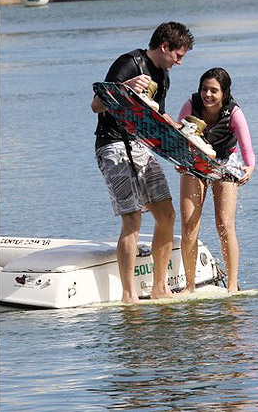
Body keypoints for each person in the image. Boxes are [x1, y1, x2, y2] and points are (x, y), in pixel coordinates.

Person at [90, 22, 194, 304]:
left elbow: (156, 118)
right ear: (164, 47)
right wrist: (123, 87)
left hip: (141, 147)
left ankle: (160, 286)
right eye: (178, 55)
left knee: (166, 214)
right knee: (133, 219)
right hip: (113, 147)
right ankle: (128, 295)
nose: (180, 62)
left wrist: (182, 142)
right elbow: (97, 104)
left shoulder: (163, 75)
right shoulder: (129, 63)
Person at [177, 67, 255, 293]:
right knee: (190, 224)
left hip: (224, 163)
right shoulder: (190, 106)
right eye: (204, 89)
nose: (207, 95)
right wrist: (181, 161)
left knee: (224, 223)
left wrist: (249, 168)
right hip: (194, 163)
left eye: (213, 90)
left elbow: (247, 149)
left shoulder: (234, 113)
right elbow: (178, 139)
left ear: (224, 93)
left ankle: (232, 285)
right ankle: (189, 286)